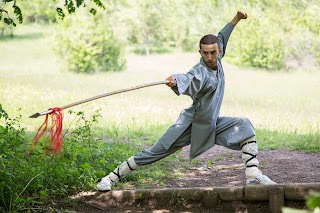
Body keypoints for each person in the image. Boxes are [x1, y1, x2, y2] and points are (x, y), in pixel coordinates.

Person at [97, 10, 276, 191]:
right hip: (190, 125)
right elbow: (188, 78)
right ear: (200, 52)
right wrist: (175, 80)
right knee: (153, 153)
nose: (210, 57)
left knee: (244, 126)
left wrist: (237, 18)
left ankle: (253, 177)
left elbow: (222, 35)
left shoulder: (218, 58)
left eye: (213, 52)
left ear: (220, 51)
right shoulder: (200, 71)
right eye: (205, 53)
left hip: (211, 124)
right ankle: (111, 178)